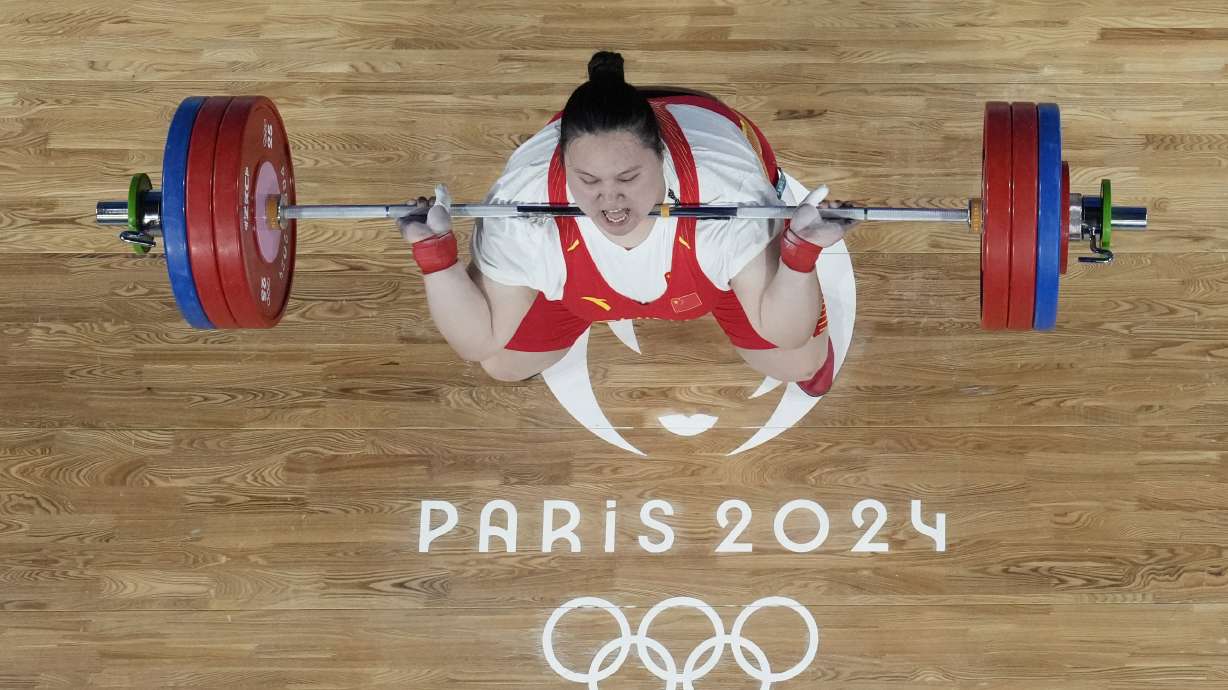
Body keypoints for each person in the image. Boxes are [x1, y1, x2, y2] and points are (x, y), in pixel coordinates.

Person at [399, 51, 858, 396]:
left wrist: (799, 256)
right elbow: (475, 340)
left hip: (709, 261)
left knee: (798, 355)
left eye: (629, 177)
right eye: (588, 180)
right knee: (499, 363)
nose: (610, 199)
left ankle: (751, 286)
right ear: (562, 163)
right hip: (585, 285)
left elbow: (785, 330)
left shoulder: (725, 192)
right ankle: (571, 302)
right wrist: (435, 255)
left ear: (660, 159)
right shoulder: (524, 200)